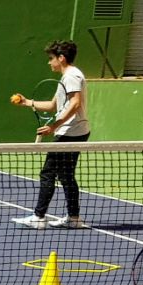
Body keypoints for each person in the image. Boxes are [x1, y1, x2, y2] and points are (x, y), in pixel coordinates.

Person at [10, 40, 89, 230]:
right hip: (76, 131)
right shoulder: (68, 77)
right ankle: (74, 218)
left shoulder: (71, 76)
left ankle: (39, 217)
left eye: (51, 58)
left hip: (69, 132)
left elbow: (75, 103)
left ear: (61, 58)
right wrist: (27, 102)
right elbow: (54, 105)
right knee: (66, 175)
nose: (49, 62)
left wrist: (53, 126)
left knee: (48, 173)